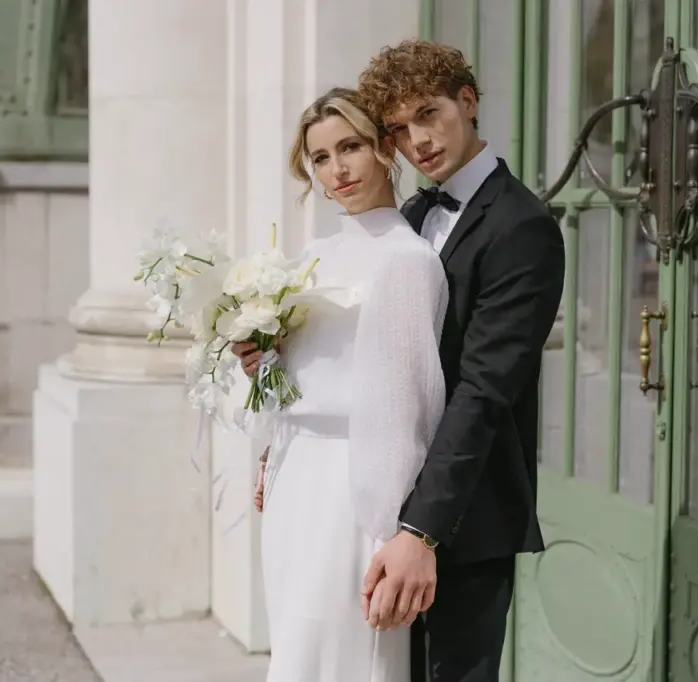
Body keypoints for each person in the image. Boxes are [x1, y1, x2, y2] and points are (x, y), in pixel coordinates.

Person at [242, 39, 567, 680]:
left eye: (429, 114)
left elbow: (483, 390)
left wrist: (418, 532)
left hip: (460, 514)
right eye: (397, 128)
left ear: (467, 102)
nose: (417, 140)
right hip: (376, 505)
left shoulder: (521, 226)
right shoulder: (404, 218)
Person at [243, 86, 449, 682]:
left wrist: (394, 531)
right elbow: (301, 378)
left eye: (350, 147)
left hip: (355, 488)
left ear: (386, 147)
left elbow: (407, 405)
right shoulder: (312, 255)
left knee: (340, 660)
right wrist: (261, 366)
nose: (338, 169)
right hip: (294, 478)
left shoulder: (408, 261)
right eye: (321, 158)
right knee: (294, 649)